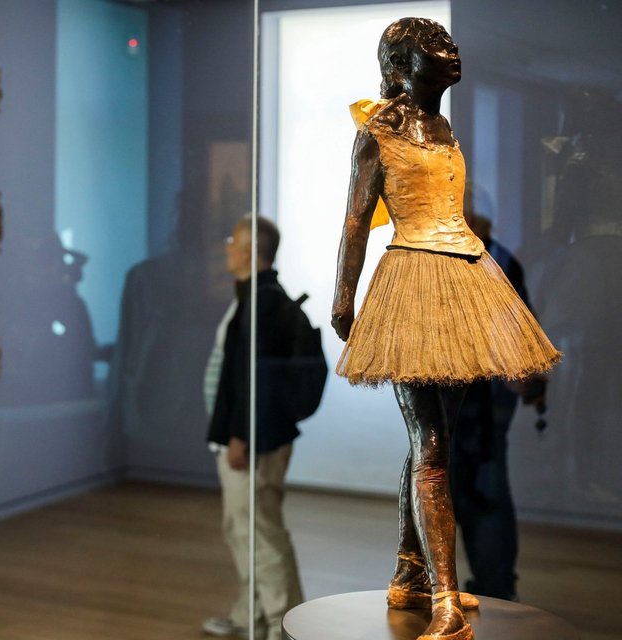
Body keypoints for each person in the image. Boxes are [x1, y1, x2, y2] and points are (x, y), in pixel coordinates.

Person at [330, 18, 559, 640]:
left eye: (449, 42)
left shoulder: (443, 127)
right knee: (430, 448)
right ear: (402, 64)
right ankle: (445, 602)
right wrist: (344, 297)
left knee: (435, 442)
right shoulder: (378, 131)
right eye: (434, 45)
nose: (451, 50)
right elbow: (356, 220)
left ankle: (410, 574)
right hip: (411, 286)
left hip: (461, 277)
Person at [203, 215, 304, 640]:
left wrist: (240, 436)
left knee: (261, 534)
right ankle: (253, 616)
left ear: (248, 251)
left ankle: (285, 626)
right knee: (244, 531)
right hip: (245, 437)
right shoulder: (254, 297)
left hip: (251, 441)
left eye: (232, 240)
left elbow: (254, 379)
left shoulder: (263, 302)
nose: (227, 247)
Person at [450, 209, 535, 602]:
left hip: (480, 396)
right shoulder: (492, 257)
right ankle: (491, 585)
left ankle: (495, 587)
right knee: (473, 486)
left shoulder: (490, 259)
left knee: (483, 486)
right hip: (473, 394)